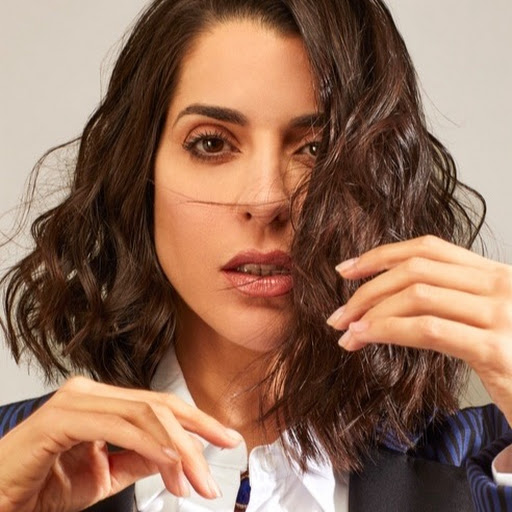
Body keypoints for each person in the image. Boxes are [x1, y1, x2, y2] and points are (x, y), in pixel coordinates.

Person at [0, 0, 511, 510]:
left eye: (317, 149)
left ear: (382, 179)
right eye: (211, 144)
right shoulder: (16, 461)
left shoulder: (490, 462)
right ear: (140, 173)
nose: (266, 201)